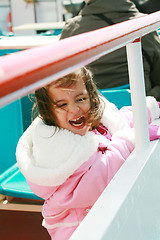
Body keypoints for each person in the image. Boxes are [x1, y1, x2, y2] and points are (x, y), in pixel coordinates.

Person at [16, 67, 160, 240]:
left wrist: (148, 110)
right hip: (81, 229)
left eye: (80, 98)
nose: (74, 109)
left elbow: (118, 120)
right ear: (48, 112)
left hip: (107, 216)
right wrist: (133, 138)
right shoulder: (58, 149)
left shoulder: (88, 121)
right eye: (62, 104)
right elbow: (104, 174)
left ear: (91, 96)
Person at [60, 0, 160, 101]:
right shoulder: (145, 24)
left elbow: (63, 77)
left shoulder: (72, 29)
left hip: (92, 106)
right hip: (140, 105)